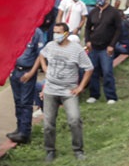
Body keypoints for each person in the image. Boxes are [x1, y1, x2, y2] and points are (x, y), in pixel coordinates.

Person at [35, 22, 92, 162]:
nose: (56, 35)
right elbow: (41, 55)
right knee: (48, 124)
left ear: (66, 33)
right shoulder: (50, 46)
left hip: (68, 91)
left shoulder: (76, 49)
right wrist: (45, 68)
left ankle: (78, 150)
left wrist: (80, 87)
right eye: (55, 32)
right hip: (50, 90)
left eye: (59, 32)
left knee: (74, 119)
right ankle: (50, 150)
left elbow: (89, 68)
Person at [5, 26, 43, 145]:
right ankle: (19, 127)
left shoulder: (37, 32)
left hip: (28, 71)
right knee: (18, 101)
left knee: (25, 102)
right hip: (15, 70)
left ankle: (25, 132)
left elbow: (40, 55)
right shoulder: (17, 28)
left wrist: (31, 72)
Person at [83, 0, 119, 104]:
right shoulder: (93, 12)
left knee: (107, 71)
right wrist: (87, 41)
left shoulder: (113, 12)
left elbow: (118, 30)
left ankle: (111, 96)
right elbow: (88, 27)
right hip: (94, 47)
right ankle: (94, 94)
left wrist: (112, 45)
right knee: (93, 71)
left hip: (106, 47)